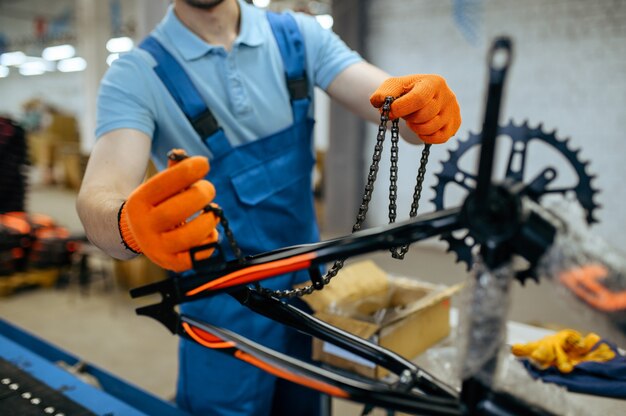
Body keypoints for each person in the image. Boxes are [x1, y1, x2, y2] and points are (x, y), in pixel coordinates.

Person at [76, 0, 461, 415]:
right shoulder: (137, 75)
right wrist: (126, 225)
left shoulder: (300, 38)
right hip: (221, 313)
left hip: (307, 298)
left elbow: (391, 103)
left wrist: (419, 107)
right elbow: (99, 194)